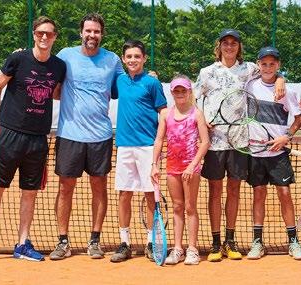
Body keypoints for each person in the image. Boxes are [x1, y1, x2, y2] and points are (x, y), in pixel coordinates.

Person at [0, 16, 66, 264]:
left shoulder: (59, 66)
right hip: (10, 135)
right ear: (34, 34)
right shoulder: (17, 59)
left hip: (38, 139)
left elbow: (57, 93)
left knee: (30, 192)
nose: (44, 37)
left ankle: (22, 243)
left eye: (49, 33)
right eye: (40, 33)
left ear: (55, 37)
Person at [193, 28, 285, 262]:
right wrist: (203, 121)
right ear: (220, 46)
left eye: (234, 43)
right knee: (215, 191)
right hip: (214, 144)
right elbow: (194, 101)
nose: (230, 46)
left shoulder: (249, 70)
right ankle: (215, 242)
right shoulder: (207, 72)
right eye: (226, 42)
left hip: (239, 142)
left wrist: (282, 78)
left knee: (234, 191)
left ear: (239, 47)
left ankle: (230, 240)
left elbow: (271, 71)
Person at [48, 13, 124, 261]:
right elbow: (50, 82)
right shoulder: (65, 56)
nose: (92, 35)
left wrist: (149, 77)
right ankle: (63, 241)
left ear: (102, 34)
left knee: (99, 187)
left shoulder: (113, 60)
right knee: (65, 187)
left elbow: (125, 86)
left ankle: (95, 240)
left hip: (100, 136)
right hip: (70, 135)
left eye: (97, 31)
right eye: (88, 31)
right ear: (81, 32)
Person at [244, 47, 301, 261]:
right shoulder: (249, 85)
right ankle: (257, 242)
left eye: (272, 64)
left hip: (278, 154)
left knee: (285, 195)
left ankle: (293, 241)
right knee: (258, 195)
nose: (268, 67)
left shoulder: (287, 92)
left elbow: (299, 118)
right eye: (264, 63)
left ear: (278, 65)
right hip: (255, 152)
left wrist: (286, 137)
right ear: (258, 64)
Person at [110, 40, 167, 263]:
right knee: (124, 194)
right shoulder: (120, 81)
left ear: (144, 59)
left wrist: (160, 144)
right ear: (124, 60)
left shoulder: (153, 83)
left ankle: (151, 242)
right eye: (129, 56)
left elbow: (163, 113)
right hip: (124, 146)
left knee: (150, 195)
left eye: (137, 56)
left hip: (147, 147)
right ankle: (124, 243)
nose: (133, 60)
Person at [151, 75, 210, 265]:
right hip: (172, 167)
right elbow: (159, 140)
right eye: (176, 90)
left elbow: (205, 142)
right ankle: (178, 249)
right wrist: (155, 164)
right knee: (177, 207)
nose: (180, 93)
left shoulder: (197, 113)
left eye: (183, 90)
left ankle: (192, 249)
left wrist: (192, 165)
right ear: (172, 92)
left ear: (189, 92)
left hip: (191, 168)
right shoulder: (166, 114)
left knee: (190, 207)